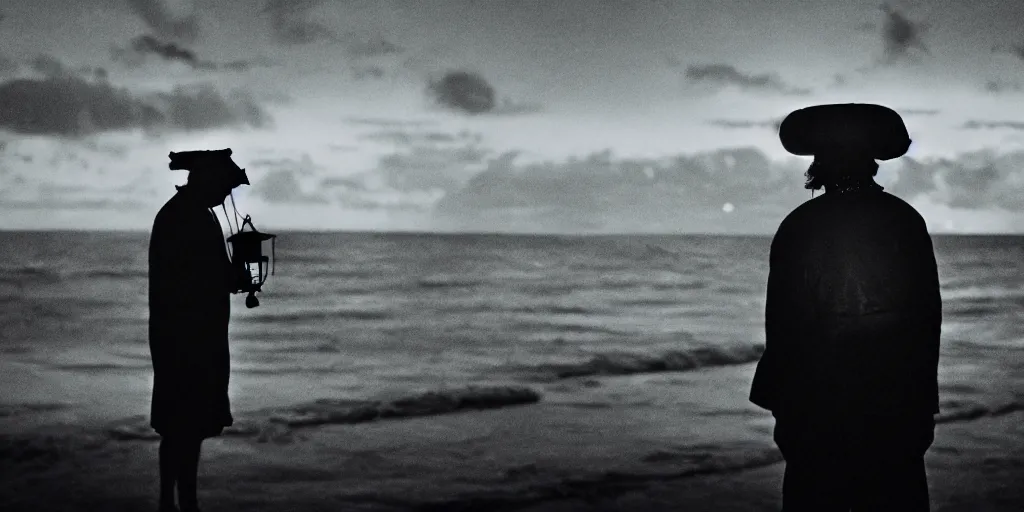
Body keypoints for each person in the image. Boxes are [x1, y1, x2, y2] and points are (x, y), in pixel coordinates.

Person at [749, 104, 942, 511]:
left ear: (821, 165)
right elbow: (926, 326)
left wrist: (786, 412)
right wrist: (921, 410)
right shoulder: (904, 220)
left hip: (819, 413)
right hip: (894, 410)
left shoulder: (801, 225)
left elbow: (783, 330)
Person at [149, 149, 250, 512]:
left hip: (184, 336)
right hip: (187, 340)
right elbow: (200, 278)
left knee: (181, 427)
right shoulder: (186, 218)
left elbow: (210, 276)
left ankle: (174, 502)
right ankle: (178, 504)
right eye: (224, 187)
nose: (226, 196)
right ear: (206, 181)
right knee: (184, 427)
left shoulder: (187, 214)